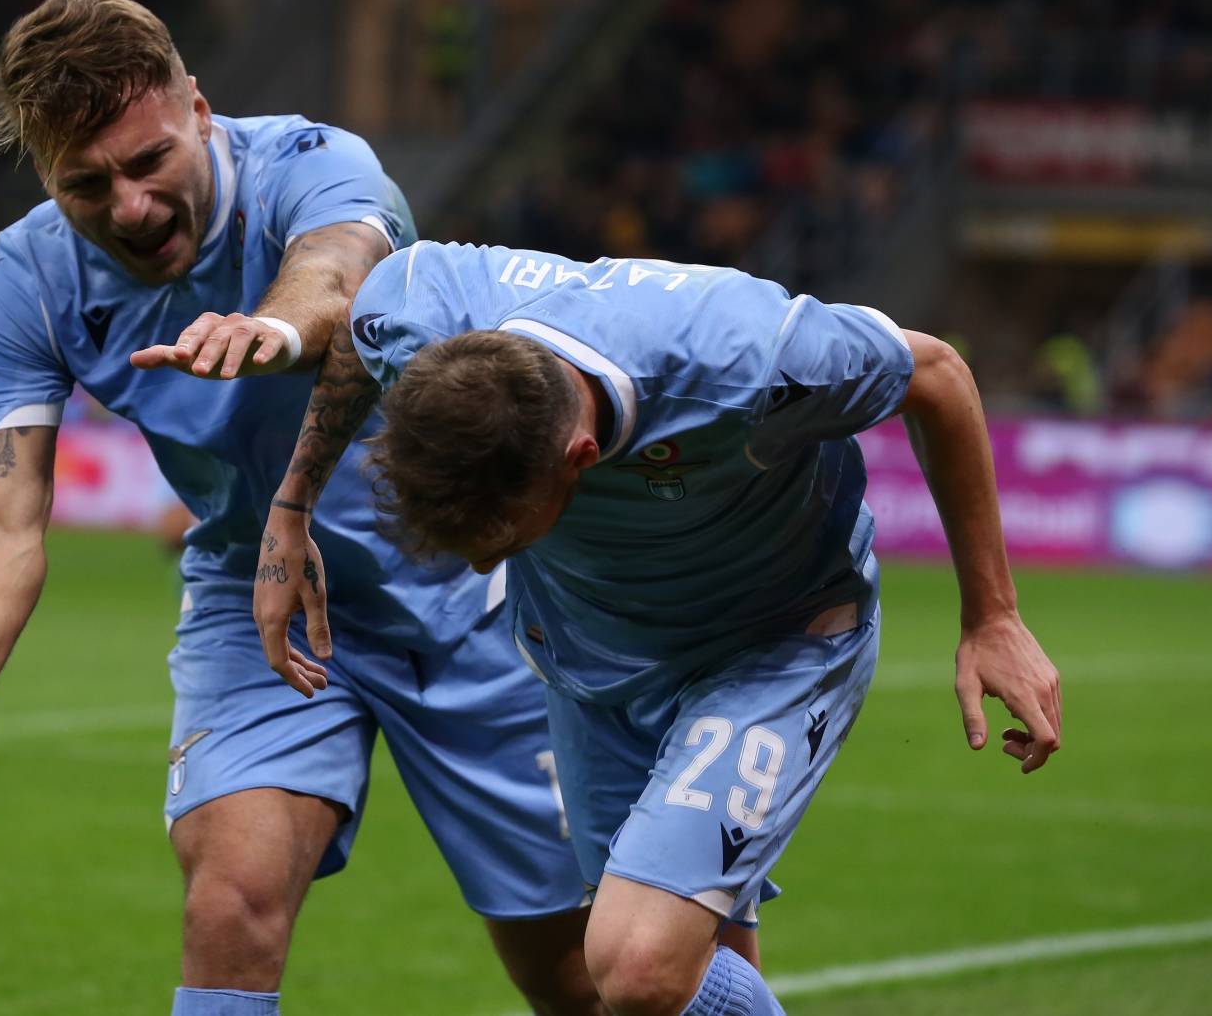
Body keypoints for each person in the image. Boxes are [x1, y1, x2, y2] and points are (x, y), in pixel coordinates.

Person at [0, 0, 600, 1016]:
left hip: (472, 590)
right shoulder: (29, 280)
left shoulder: (314, 165)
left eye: (150, 163)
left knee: (586, 978)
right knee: (230, 900)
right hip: (256, 596)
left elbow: (332, 271)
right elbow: (4, 522)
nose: (131, 206)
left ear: (198, 108)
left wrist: (271, 333)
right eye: (85, 185)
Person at [239, 242, 1064, 1016]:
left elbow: (939, 374)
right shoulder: (417, 310)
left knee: (636, 968)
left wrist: (992, 615)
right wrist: (291, 508)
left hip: (772, 642)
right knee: (681, 973)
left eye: (506, 539)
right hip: (585, 664)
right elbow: (355, 326)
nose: (482, 561)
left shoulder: (748, 361)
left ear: (582, 456)